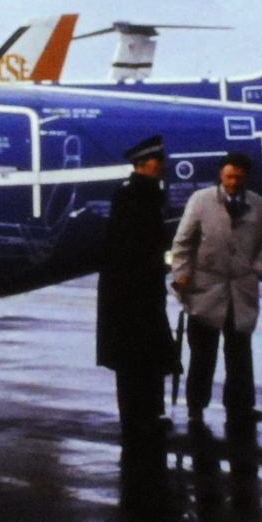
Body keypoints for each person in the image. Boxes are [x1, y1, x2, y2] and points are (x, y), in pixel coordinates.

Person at [170, 151, 262, 428]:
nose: (233, 181)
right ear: (220, 174)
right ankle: (195, 407)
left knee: (240, 353)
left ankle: (241, 407)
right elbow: (182, 242)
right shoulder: (200, 201)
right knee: (202, 354)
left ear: (246, 177)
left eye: (238, 177)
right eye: (229, 176)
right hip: (205, 289)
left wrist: (257, 271)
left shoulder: (258, 204)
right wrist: (181, 276)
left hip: (241, 289)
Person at [96, 134, 180, 447]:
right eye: (159, 162)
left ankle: (150, 414)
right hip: (129, 294)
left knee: (150, 355)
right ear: (146, 164)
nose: (163, 167)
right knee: (134, 360)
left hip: (143, 291)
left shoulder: (145, 195)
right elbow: (131, 248)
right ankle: (135, 418)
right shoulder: (132, 197)